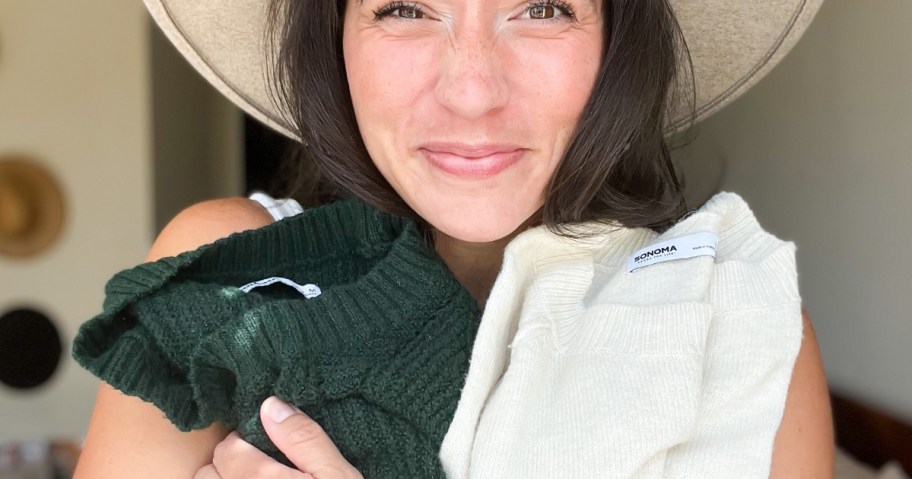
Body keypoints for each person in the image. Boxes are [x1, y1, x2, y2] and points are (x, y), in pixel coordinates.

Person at [72, 0, 835, 477]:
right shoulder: (230, 279)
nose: (472, 90)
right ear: (334, 31)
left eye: (542, 6)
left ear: (619, 39)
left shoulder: (735, 319)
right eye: (405, 6)